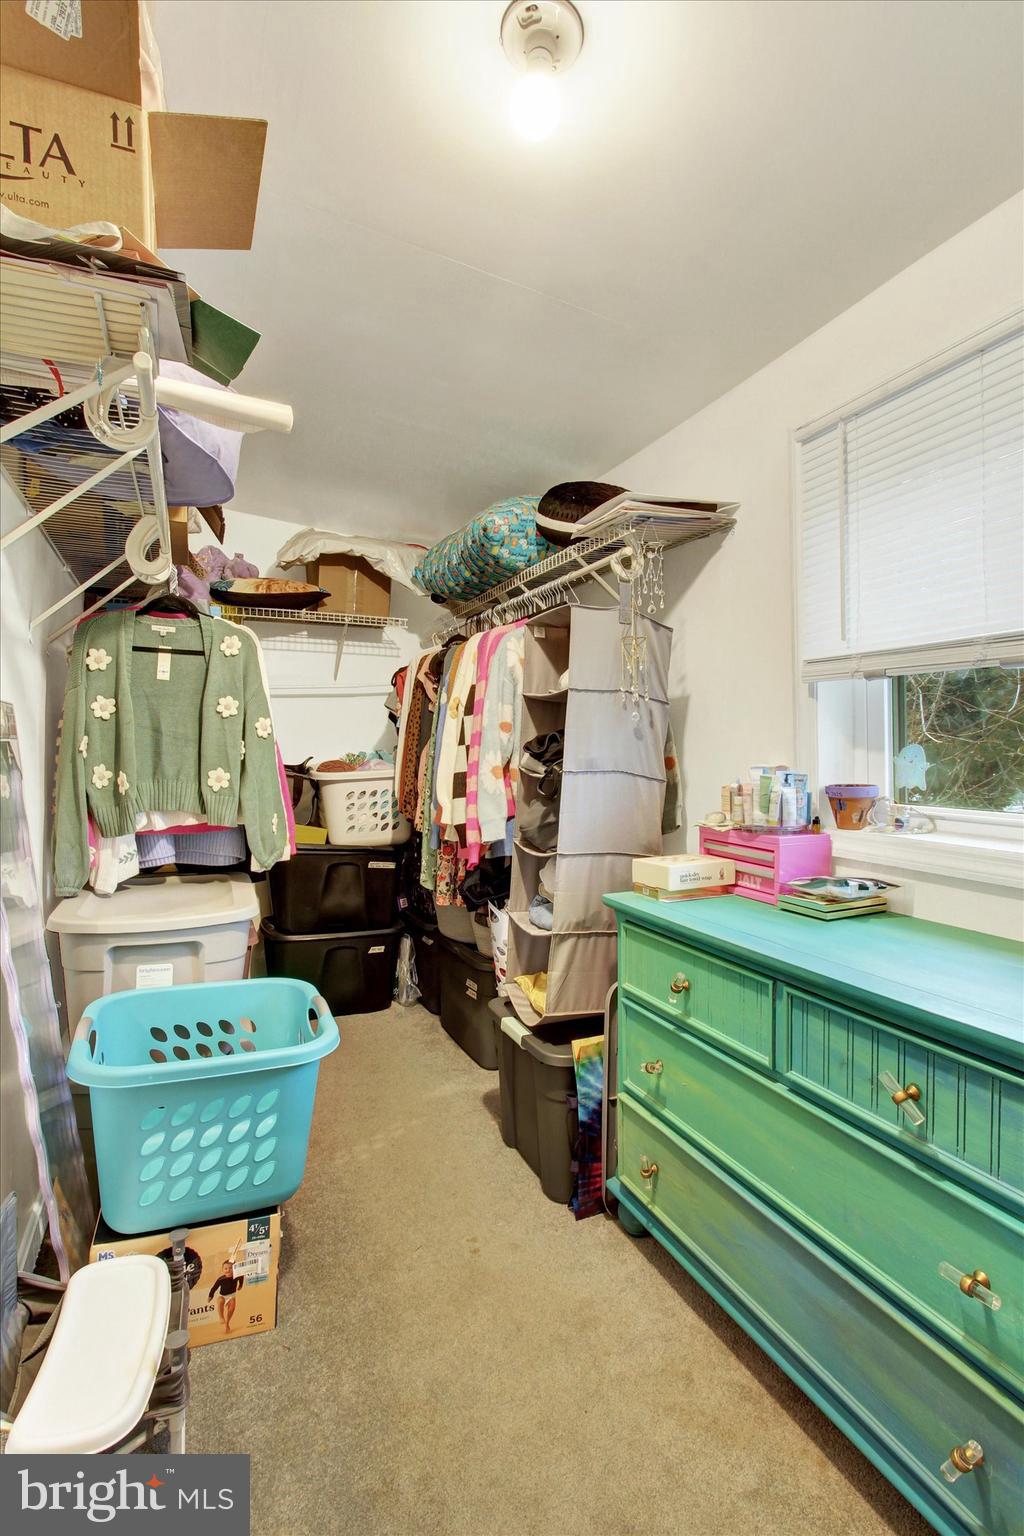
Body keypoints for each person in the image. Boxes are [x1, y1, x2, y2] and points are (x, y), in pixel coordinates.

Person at [208, 1260, 245, 1333]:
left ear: (235, 1269)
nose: (228, 1270)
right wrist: (210, 1296)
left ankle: (227, 1323)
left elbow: (241, 1277)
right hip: (223, 1295)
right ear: (223, 1270)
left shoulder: (237, 1276)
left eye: (231, 1268)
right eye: (226, 1268)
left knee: (232, 1308)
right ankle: (221, 1317)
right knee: (220, 1300)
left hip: (232, 1296)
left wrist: (240, 1285)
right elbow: (214, 1288)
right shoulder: (221, 1279)